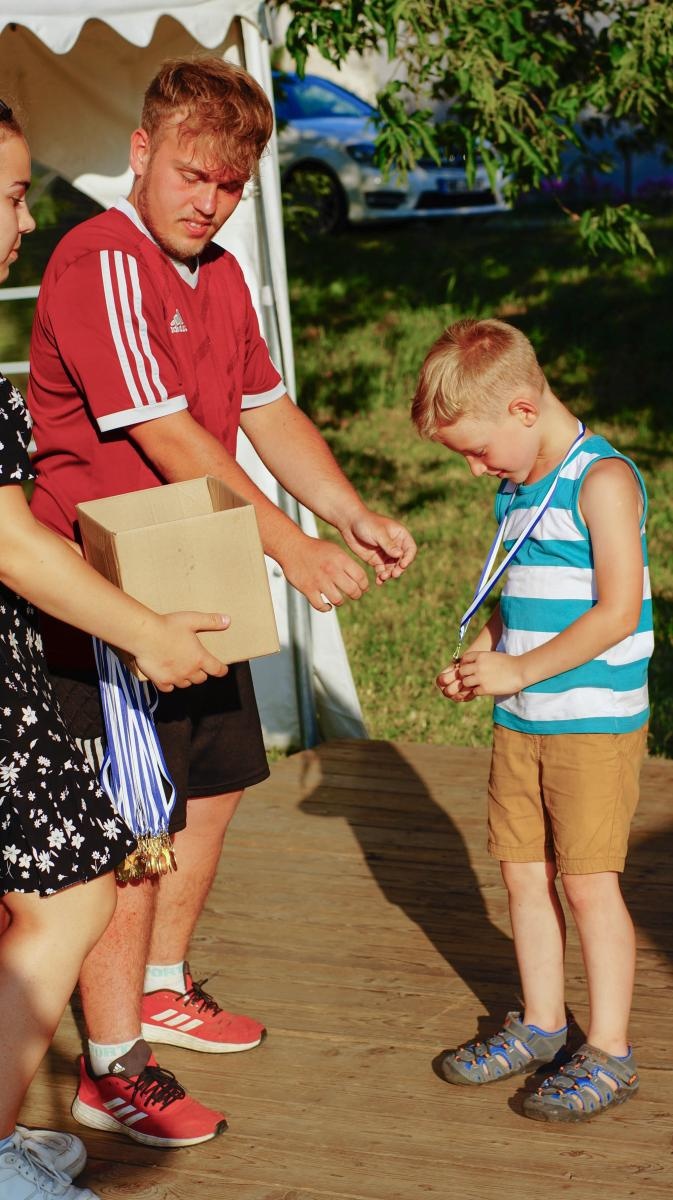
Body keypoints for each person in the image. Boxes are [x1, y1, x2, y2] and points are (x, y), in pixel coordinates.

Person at [27, 57, 416, 1147]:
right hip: (101, 600)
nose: (210, 201)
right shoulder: (98, 255)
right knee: (132, 832)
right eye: (194, 175)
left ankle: (155, 989)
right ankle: (112, 1065)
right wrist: (288, 546)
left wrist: (345, 513)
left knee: (214, 784)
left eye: (232, 186)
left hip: (193, 575)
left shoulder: (224, 274)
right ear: (142, 154)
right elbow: (166, 434)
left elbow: (267, 410)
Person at [0, 97, 237, 1200]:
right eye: (6, 194)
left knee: (74, 891)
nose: (20, 218)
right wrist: (142, 627)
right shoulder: (97, 258)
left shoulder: (219, 273)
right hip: (46, 656)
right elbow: (8, 538)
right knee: (71, 897)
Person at [411, 317, 652, 1123]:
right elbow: (517, 600)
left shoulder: (601, 480)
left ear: (521, 408)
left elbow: (616, 612)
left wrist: (516, 668)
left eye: (477, 450)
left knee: (587, 884)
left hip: (589, 721)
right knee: (522, 873)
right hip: (523, 718)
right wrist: (486, 656)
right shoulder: (515, 485)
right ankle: (544, 1024)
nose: (477, 468)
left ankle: (610, 1051)